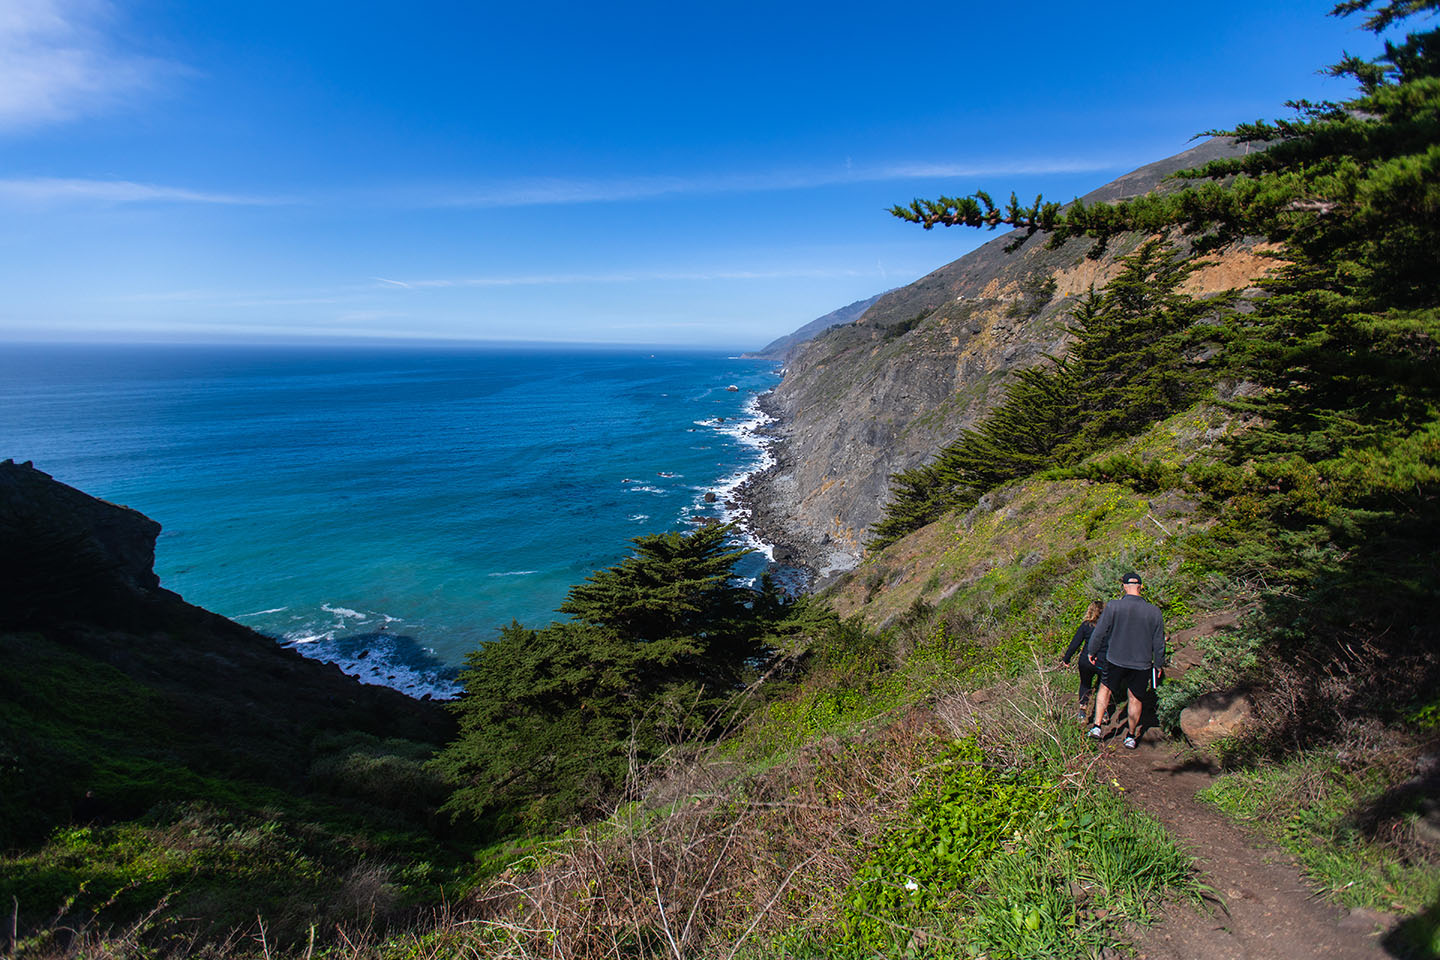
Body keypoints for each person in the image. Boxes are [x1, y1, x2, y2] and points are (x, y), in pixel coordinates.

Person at [1086, 572, 1166, 749]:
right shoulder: (1154, 611)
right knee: (1135, 698)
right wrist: (1158, 664)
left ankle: (1097, 727)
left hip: (1115, 658)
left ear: (1123, 586)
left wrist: (1092, 651)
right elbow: (1159, 642)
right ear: (1141, 586)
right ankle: (1130, 736)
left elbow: (1100, 631)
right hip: (1142, 662)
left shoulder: (1114, 606)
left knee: (1105, 689)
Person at [1060, 600, 1106, 723]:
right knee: (1103, 687)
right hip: (1103, 661)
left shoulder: (1086, 625)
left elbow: (1075, 643)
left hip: (1085, 661)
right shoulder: (1109, 627)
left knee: (1085, 684)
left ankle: (1082, 711)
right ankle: (1103, 712)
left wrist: (1067, 658)